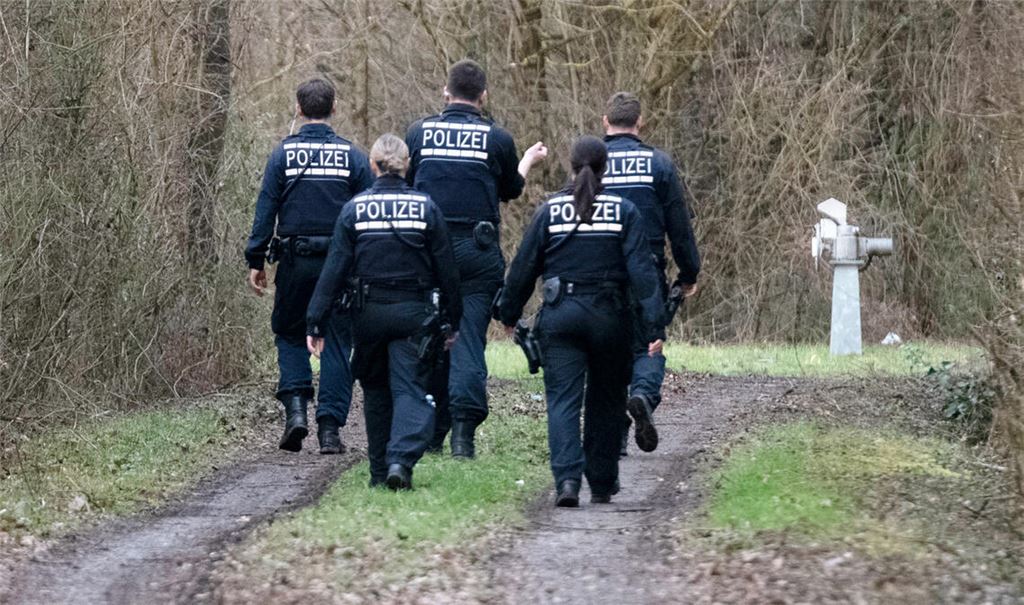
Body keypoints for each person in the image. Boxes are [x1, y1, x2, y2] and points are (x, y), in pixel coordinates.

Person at [497, 136, 664, 507]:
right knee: (606, 399)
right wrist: (654, 328)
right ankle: (602, 483)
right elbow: (643, 274)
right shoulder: (624, 212)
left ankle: (568, 483)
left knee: (562, 401)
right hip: (610, 317)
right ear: (605, 169)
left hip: (561, 317)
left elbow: (524, 267)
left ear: (570, 168)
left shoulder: (549, 211)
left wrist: (509, 314)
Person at [405, 58, 547, 459]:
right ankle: (463, 437)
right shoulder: (496, 138)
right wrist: (528, 162)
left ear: (445, 93)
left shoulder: (418, 133)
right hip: (476, 252)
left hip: (426, 253)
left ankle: (431, 430)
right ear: (483, 96)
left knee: (430, 336)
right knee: (466, 339)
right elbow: (511, 189)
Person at [306, 134, 462, 490]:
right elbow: (448, 271)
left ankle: (380, 474)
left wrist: (316, 321)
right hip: (414, 316)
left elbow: (334, 271)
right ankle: (400, 461)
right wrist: (453, 319)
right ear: (407, 166)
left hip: (368, 315)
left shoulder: (354, 210)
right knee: (409, 390)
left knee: (376, 391)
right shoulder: (427, 208)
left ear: (373, 166)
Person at [245, 78, 373, 454]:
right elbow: (367, 212)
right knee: (337, 340)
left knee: (288, 332)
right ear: (334, 109)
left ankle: (296, 411)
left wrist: (256, 259)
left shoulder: (282, 156)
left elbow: (265, 210)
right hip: (341, 265)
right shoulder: (353, 157)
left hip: (295, 260)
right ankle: (330, 431)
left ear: (299, 110)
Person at [601, 92, 701, 456]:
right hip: (647, 273)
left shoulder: (592, 162)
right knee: (648, 345)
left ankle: (614, 437)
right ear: (639, 123)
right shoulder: (659, 164)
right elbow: (679, 225)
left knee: (607, 352)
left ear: (605, 121)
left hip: (598, 275)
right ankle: (642, 395)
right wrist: (688, 272)